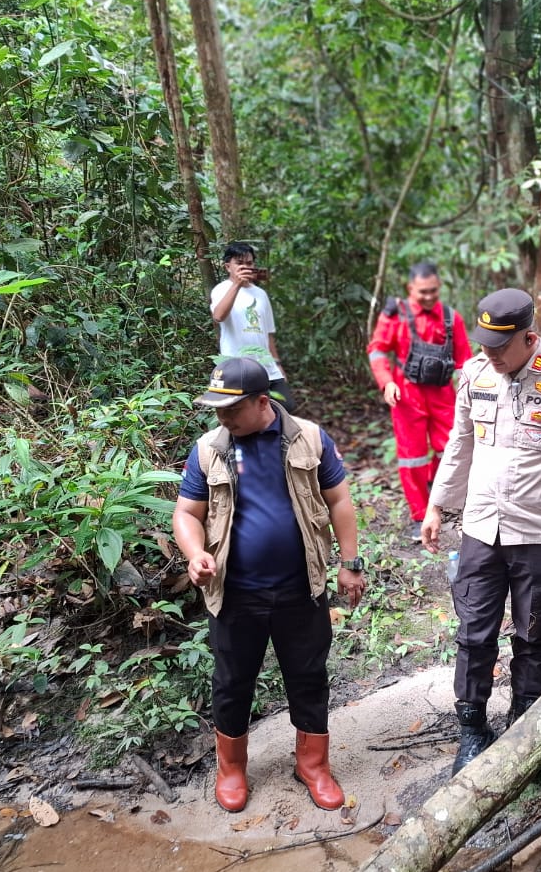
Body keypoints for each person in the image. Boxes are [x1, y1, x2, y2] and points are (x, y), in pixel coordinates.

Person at [422, 288, 541, 775]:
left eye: (499, 347)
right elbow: (459, 443)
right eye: (484, 345)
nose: (489, 355)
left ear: (529, 337)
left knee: (533, 633)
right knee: (473, 633)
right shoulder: (476, 374)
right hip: (482, 527)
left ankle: (526, 724)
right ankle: (472, 727)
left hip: (540, 531)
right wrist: (437, 504)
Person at [172, 357, 367, 813]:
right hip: (235, 593)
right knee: (232, 682)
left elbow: (338, 499)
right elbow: (187, 513)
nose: (222, 417)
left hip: (302, 588)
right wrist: (195, 552)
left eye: (231, 409)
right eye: (216, 408)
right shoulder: (208, 449)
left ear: (262, 401)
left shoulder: (308, 438)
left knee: (308, 677)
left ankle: (313, 765)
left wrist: (350, 561)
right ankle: (232, 769)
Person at [367, 261, 472, 542]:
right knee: (411, 456)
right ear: (410, 288)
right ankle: (418, 514)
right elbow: (377, 350)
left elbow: (465, 362)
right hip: (406, 394)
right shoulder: (395, 315)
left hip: (443, 395)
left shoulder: (451, 317)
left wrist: (470, 393)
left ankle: (440, 499)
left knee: (450, 449)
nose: (428, 296)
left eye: (433, 291)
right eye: (422, 291)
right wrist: (386, 381)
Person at [210, 241, 297, 413]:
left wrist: (278, 364)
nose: (245, 267)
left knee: (286, 407)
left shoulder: (260, 294)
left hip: (266, 366)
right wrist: (236, 284)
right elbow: (218, 316)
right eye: (239, 263)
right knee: (242, 413)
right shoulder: (221, 289)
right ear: (228, 267)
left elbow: (268, 333)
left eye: (249, 263)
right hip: (237, 367)